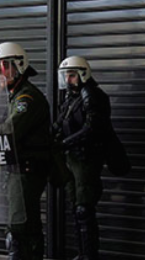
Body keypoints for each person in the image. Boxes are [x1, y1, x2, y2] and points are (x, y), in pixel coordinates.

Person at [0, 42, 51, 260]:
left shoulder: (27, 98)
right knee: (28, 224)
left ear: (19, 66)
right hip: (19, 169)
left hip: (27, 170)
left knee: (17, 229)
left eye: (4, 65)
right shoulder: (15, 96)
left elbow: (9, 129)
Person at [53, 56, 113, 260]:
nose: (68, 80)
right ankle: (82, 253)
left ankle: (89, 255)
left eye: (72, 75)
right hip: (71, 159)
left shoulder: (93, 95)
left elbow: (93, 128)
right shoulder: (71, 98)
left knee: (83, 210)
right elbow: (60, 123)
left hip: (87, 160)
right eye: (65, 76)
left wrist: (64, 143)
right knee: (75, 208)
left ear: (83, 74)